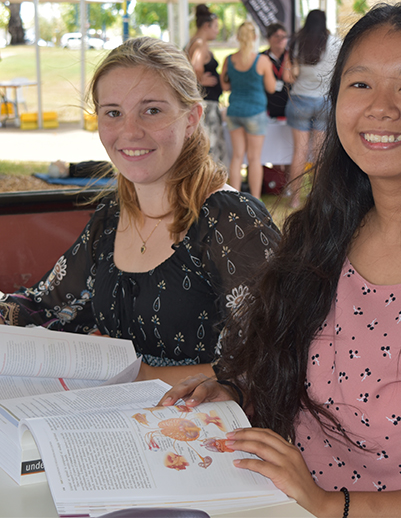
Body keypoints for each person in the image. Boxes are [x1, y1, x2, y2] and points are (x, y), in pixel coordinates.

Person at [160, 2, 401, 517]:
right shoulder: (323, 231)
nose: (381, 107)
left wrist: (333, 505)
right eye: (360, 85)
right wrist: (239, 393)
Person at [0, 37, 279, 387]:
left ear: (192, 118)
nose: (129, 131)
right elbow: (45, 306)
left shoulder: (232, 221)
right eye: (113, 113)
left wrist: (144, 376)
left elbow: (271, 362)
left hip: (207, 431)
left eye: (152, 110)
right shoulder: (111, 218)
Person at [283, 9, 340, 208]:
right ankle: (316, 199)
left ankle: (295, 199)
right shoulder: (335, 43)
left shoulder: (298, 43)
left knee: (299, 151)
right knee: (319, 152)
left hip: (299, 100)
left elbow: (290, 74)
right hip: (325, 101)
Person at [221, 21, 276, 199]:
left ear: (238, 37)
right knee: (254, 158)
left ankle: (234, 198)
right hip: (255, 112)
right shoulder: (262, 61)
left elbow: (225, 85)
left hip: (234, 111)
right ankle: (255, 199)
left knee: (236, 157)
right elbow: (272, 88)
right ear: (254, 37)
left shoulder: (229, 60)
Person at [185, 4, 227, 164]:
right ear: (206, 26)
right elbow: (196, 65)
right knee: (210, 148)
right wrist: (199, 80)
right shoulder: (200, 43)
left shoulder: (192, 41)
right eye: (216, 27)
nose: (217, 31)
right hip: (207, 105)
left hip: (204, 101)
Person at [261, 22, 291, 119]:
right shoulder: (261, 58)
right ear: (268, 39)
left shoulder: (292, 57)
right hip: (266, 106)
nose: (281, 40)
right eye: (276, 36)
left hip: (288, 105)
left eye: (284, 36)